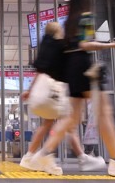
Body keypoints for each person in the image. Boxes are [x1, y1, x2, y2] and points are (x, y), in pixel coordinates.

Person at [27, 0, 115, 176]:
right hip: (84, 67)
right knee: (104, 112)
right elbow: (84, 44)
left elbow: (71, 46)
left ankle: (43, 154)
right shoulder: (85, 17)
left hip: (72, 70)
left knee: (72, 118)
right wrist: (113, 45)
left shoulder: (68, 23)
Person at [20, 22, 106, 172]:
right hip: (55, 93)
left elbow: (39, 72)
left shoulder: (45, 47)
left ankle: (29, 156)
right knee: (69, 124)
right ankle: (77, 157)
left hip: (44, 94)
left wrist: (30, 90)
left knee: (47, 124)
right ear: (58, 31)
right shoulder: (59, 46)